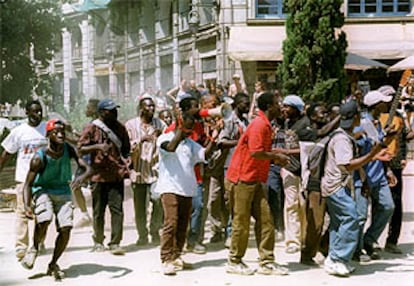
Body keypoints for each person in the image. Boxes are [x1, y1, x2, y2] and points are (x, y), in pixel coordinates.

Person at [322, 100, 396, 277]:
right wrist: (372, 155)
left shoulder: (345, 135)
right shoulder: (341, 139)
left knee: (340, 221)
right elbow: (347, 165)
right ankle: (338, 257)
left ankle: (334, 258)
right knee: (351, 217)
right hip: (336, 186)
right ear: (355, 117)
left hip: (337, 185)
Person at [225, 92, 290, 276]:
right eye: (279, 103)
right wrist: (276, 157)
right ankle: (234, 260)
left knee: (266, 220)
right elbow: (255, 152)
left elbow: (261, 151)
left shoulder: (265, 124)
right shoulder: (259, 124)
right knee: (241, 222)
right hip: (242, 179)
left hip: (255, 179)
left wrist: (276, 154)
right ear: (270, 106)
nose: (282, 107)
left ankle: (267, 262)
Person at [20, 119, 91, 281]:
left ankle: (53, 263)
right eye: (56, 132)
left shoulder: (69, 149)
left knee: (66, 228)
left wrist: (81, 177)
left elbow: (87, 168)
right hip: (43, 190)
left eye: (62, 131)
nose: (60, 134)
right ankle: (34, 248)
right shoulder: (39, 158)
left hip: (63, 191)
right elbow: (27, 184)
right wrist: (26, 205)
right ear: (48, 135)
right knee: (44, 219)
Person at [155, 111, 219, 275]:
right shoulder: (165, 138)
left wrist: (214, 137)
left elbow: (204, 154)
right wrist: (180, 133)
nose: (193, 125)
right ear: (180, 121)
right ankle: (166, 258)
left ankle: (177, 255)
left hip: (186, 188)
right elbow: (170, 148)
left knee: (183, 224)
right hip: (170, 188)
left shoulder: (190, 143)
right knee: (171, 223)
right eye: (190, 122)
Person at [77, 98, 131, 255]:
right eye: (110, 110)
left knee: (117, 209)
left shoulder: (120, 128)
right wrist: (98, 147)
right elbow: (80, 149)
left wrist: (126, 160)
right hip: (98, 176)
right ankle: (98, 240)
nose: (115, 113)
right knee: (98, 211)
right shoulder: (91, 128)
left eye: (115, 110)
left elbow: (126, 148)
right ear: (101, 112)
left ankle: (115, 242)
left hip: (116, 175)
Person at [0, 100, 48, 260]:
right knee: (22, 212)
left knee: (42, 212)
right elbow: (7, 153)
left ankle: (39, 242)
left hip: (44, 179)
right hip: (24, 179)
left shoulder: (47, 129)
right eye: (34, 111)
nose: (38, 114)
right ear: (27, 113)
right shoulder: (19, 131)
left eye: (40, 111)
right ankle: (21, 246)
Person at [353, 90, 396, 261]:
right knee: (361, 215)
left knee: (387, 207)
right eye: (383, 102)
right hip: (363, 177)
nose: (386, 105)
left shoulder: (377, 124)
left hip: (378, 175)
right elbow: (357, 152)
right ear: (375, 105)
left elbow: (380, 147)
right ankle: (356, 250)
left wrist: (388, 170)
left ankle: (368, 240)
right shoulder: (362, 125)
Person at [125, 96, 165, 246]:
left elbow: (168, 139)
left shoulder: (160, 124)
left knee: (157, 199)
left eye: (153, 106)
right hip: (139, 172)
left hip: (155, 171)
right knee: (140, 207)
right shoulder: (130, 125)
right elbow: (126, 147)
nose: (152, 109)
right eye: (148, 107)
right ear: (141, 108)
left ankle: (154, 230)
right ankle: (142, 235)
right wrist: (141, 140)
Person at [73, 98, 100, 228]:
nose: (86, 110)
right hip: (87, 160)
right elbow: (86, 140)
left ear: (94, 110)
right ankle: (86, 215)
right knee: (76, 186)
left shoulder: (95, 125)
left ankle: (89, 216)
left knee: (78, 185)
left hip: (91, 161)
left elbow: (83, 144)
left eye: (88, 107)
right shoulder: (93, 123)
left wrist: (66, 137)